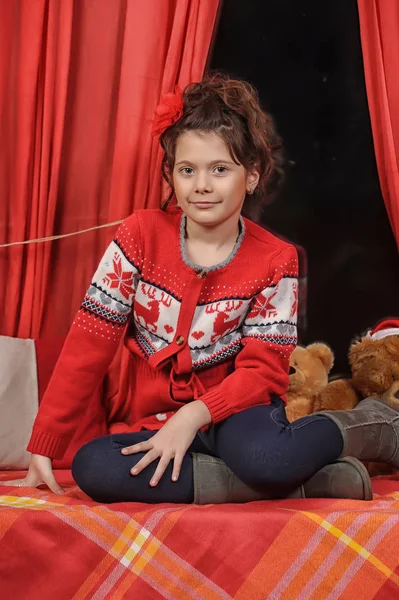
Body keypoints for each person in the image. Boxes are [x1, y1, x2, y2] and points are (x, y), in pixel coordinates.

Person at [2, 74, 398, 504]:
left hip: (236, 413)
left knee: (267, 457)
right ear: (171, 174)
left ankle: (376, 425)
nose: (202, 185)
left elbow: (262, 372)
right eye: (187, 170)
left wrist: (195, 414)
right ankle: (309, 483)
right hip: (156, 420)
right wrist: (45, 442)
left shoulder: (276, 258)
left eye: (220, 170)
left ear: (251, 176)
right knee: (93, 467)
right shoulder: (138, 236)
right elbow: (89, 343)